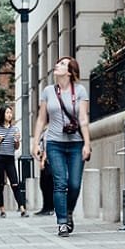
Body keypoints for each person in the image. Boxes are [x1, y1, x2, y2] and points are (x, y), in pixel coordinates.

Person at [33, 56, 91, 237]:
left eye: (63, 64)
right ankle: (62, 223)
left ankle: (68, 212)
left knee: (73, 184)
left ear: (70, 71)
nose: (57, 65)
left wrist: (87, 144)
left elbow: (83, 118)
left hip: (76, 143)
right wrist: (35, 143)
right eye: (58, 62)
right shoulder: (48, 91)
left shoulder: (80, 90)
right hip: (54, 143)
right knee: (60, 183)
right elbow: (42, 118)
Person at [0, 105, 27, 218]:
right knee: (0, 184)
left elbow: (16, 147)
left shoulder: (15, 129)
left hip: (10, 158)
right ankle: (2, 209)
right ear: (2, 114)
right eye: (7, 113)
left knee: (15, 183)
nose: (9, 115)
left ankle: (22, 208)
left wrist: (17, 140)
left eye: (10, 113)